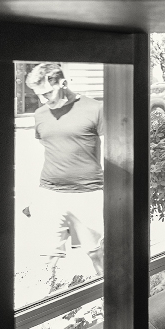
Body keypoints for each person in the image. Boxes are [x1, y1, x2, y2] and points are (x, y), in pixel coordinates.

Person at [25, 63, 105, 281]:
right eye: (38, 95)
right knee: (48, 256)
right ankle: (47, 296)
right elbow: (44, 152)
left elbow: (111, 151)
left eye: (47, 93)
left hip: (87, 193)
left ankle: (107, 295)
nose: (43, 100)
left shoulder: (94, 108)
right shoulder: (40, 114)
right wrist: (34, 197)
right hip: (50, 193)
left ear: (63, 83)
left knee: (95, 252)